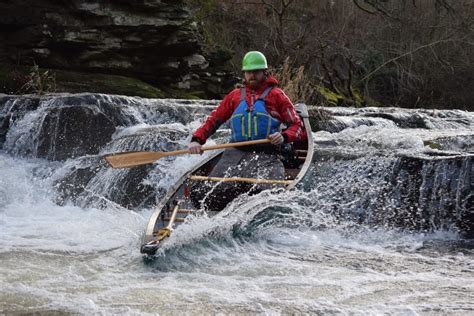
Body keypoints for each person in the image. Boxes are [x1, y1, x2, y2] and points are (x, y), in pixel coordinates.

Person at [188, 51, 307, 211]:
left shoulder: (277, 96)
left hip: (266, 155)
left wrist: (284, 137)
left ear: (265, 72)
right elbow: (213, 121)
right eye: (249, 72)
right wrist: (197, 139)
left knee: (271, 196)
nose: (252, 75)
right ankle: (235, 195)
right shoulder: (234, 96)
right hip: (233, 154)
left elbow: (298, 127)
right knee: (207, 195)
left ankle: (244, 197)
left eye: (256, 72)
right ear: (244, 74)